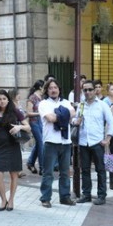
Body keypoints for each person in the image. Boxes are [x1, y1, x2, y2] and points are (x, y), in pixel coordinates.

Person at [75, 79, 113, 205]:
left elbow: (111, 122)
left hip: (97, 142)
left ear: (95, 90)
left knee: (100, 170)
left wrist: (107, 139)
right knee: (85, 170)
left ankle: (101, 195)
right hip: (83, 142)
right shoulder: (81, 105)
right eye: (85, 90)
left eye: (90, 89)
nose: (87, 92)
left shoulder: (102, 105)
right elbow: (76, 120)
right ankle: (86, 194)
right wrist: (75, 121)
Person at [38, 79, 76, 208]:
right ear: (47, 90)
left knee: (65, 172)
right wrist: (64, 115)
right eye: (50, 88)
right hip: (50, 142)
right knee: (48, 172)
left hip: (65, 142)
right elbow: (50, 118)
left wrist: (58, 115)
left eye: (55, 87)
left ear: (59, 89)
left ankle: (65, 197)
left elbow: (73, 113)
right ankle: (45, 197)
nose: (53, 90)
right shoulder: (43, 104)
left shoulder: (66, 102)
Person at [0, 89, 29, 211]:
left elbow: (28, 128)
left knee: (14, 175)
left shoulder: (15, 112)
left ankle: (11, 199)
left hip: (13, 146)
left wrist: (19, 126)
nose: (2, 101)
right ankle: (3, 199)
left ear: (8, 99)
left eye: (4, 99)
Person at [26, 80, 44, 174]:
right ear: (40, 87)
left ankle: (30, 162)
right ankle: (42, 167)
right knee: (41, 143)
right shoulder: (32, 97)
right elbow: (28, 113)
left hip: (41, 122)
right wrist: (39, 113)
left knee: (39, 143)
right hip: (34, 123)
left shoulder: (42, 97)